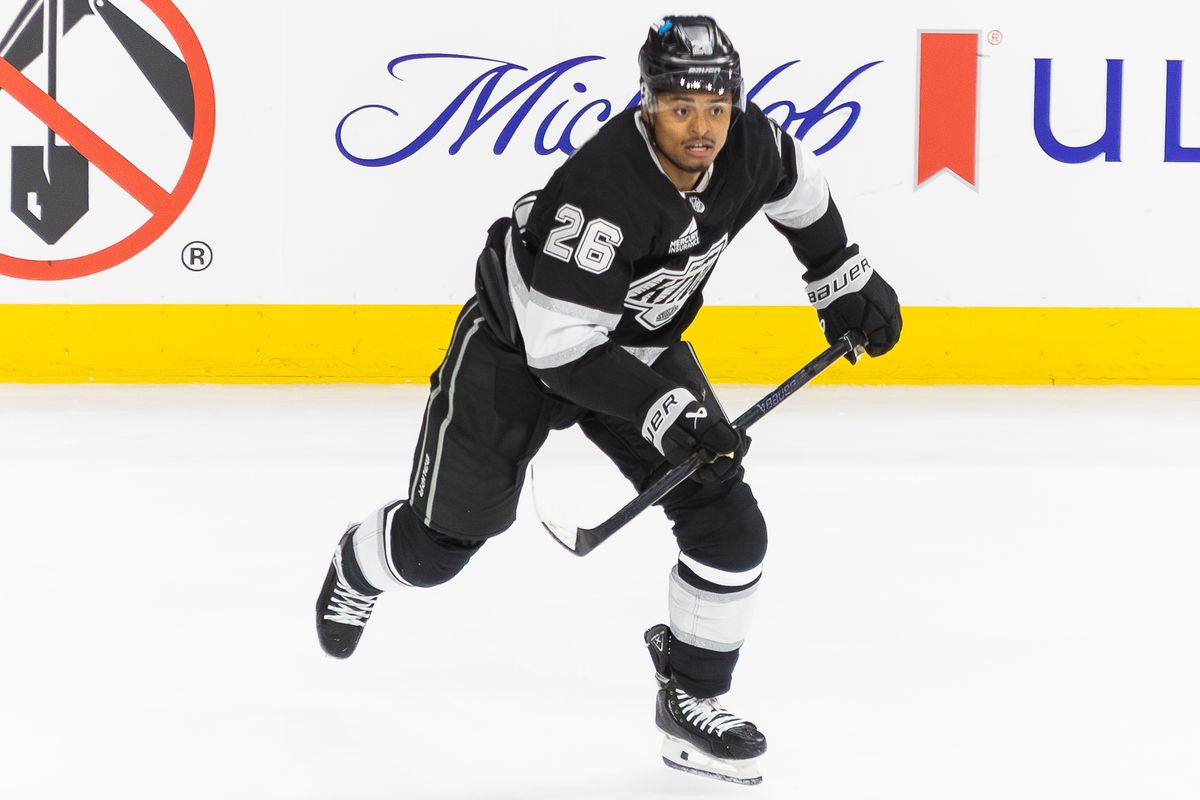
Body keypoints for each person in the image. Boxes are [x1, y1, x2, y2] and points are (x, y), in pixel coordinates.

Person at [315, 15, 901, 785]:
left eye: (716, 108)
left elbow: (800, 187)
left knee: (728, 525)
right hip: (517, 352)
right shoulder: (602, 189)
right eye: (682, 108)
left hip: (637, 346)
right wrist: (665, 413)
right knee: (439, 548)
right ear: (648, 103)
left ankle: (690, 703)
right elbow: (561, 349)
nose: (703, 128)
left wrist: (841, 277)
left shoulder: (750, 145)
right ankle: (360, 564)